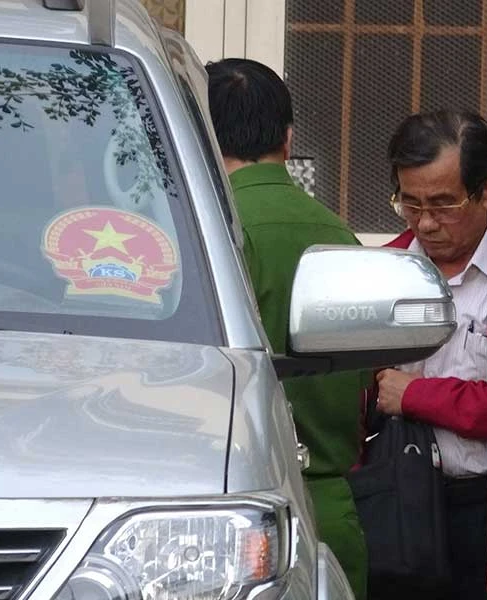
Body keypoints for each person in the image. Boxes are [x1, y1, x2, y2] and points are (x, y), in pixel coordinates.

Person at [205, 58, 368, 600]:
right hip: (328, 509)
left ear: (201, 135)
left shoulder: (203, 231)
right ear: (289, 138)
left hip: (224, 515)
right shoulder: (339, 235)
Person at [374, 109, 487, 599]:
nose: (426, 223)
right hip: (396, 505)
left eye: (443, 204)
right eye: (410, 204)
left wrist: (415, 396)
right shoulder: (379, 271)